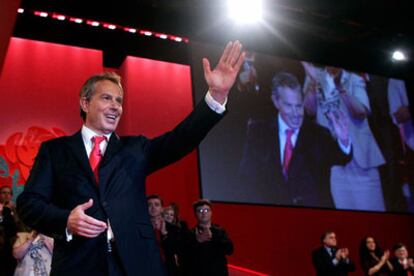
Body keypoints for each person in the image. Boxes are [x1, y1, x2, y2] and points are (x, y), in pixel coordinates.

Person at [16, 40, 245, 276]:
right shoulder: (55, 151)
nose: (116, 106)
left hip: (137, 265)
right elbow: (29, 204)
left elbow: (181, 139)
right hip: (78, 265)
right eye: (106, 98)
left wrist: (216, 97)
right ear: (85, 103)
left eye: (119, 101)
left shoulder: (135, 149)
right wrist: (66, 220)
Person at [239, 71, 352, 207]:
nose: (296, 114)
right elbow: (247, 178)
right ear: (276, 101)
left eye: (299, 106)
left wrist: (344, 140)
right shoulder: (259, 132)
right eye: (288, 105)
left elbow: (341, 157)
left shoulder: (318, 134)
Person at [302, 62, 386, 211]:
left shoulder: (352, 77)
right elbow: (310, 110)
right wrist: (314, 84)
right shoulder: (313, 77)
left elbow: (361, 112)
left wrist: (340, 88)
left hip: (361, 162)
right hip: (335, 163)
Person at [183, 199, 233, 276]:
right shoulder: (190, 234)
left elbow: (230, 250)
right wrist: (198, 241)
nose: (203, 213)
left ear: (211, 213)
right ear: (195, 214)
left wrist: (213, 238)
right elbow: (185, 257)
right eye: (200, 211)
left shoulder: (219, 231)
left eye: (206, 210)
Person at [147, 195, 181, 276]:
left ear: (162, 209)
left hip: (168, 269)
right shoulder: (140, 228)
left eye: (156, 204)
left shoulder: (174, 229)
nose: (153, 207)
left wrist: (164, 233)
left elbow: (175, 250)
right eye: (149, 205)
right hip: (147, 268)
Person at [0, 198, 17, 276]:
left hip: (9, 245)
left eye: (9, 193)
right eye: (3, 193)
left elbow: (14, 228)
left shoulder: (12, 210)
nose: (6, 195)